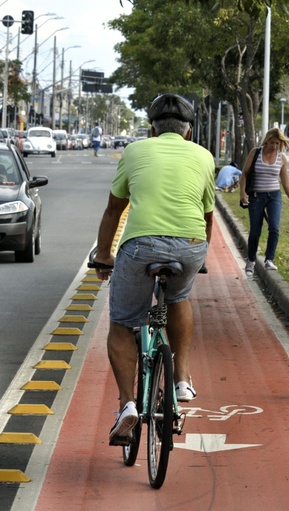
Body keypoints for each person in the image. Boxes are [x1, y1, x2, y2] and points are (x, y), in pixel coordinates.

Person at [92, 93, 215, 444]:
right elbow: (207, 217)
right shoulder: (204, 156)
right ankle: (183, 380)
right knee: (179, 297)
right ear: (189, 132)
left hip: (141, 245)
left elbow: (114, 209)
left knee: (122, 322)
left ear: (152, 129)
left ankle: (128, 406)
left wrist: (104, 255)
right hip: (191, 244)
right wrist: (198, 257)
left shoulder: (134, 151)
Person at [239, 128, 289, 277]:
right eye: (272, 142)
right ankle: (251, 260)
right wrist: (242, 193)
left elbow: (285, 182)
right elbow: (245, 173)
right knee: (255, 230)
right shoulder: (256, 152)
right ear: (266, 141)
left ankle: (269, 259)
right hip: (256, 196)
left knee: (274, 227)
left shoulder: (281, 158)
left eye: (277, 143)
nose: (274, 146)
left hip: (274, 196)